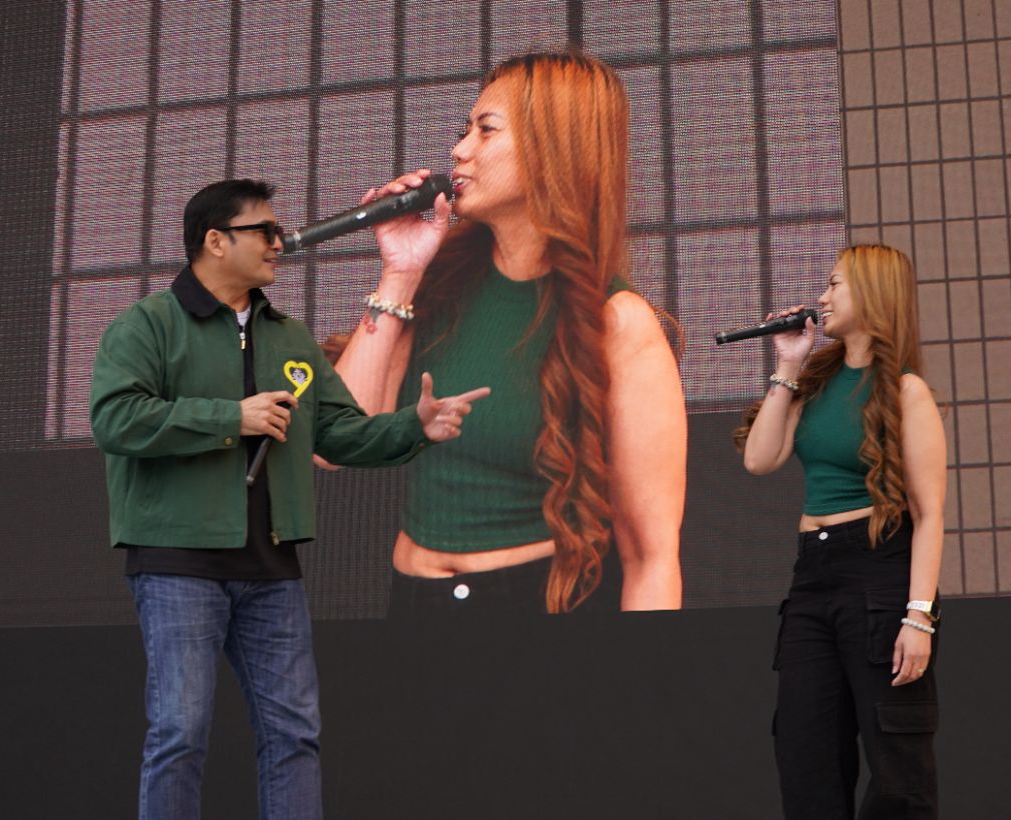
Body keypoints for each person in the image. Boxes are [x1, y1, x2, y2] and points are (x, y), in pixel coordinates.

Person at [89, 179, 487, 820]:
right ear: (215, 242)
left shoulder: (289, 336)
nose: (280, 242)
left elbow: (340, 434)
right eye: (263, 231)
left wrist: (417, 426)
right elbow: (116, 420)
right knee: (180, 735)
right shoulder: (147, 324)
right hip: (178, 562)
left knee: (294, 735)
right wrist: (231, 417)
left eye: (278, 230)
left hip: (271, 566)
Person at [327, 51, 686, 615]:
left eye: (485, 130)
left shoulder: (620, 321)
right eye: (464, 129)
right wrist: (399, 271)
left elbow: (652, 557)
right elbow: (337, 442)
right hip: (416, 611)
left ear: (553, 149)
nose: (459, 149)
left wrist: (647, 688)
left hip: (541, 609)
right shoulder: (433, 285)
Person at [736, 244, 946, 819]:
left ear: (874, 296)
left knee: (898, 764)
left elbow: (929, 516)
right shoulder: (818, 380)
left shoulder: (906, 392)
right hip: (813, 578)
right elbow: (759, 459)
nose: (822, 298)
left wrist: (919, 616)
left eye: (836, 286)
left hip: (878, 573)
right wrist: (788, 363)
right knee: (806, 754)